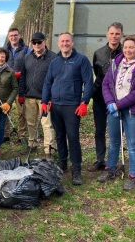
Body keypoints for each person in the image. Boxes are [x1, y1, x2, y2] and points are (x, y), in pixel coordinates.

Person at [98, 35, 135, 191]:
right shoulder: (116, 63)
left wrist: (117, 105)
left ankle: (132, 177)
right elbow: (106, 84)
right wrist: (110, 103)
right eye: (125, 47)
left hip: (134, 112)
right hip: (114, 110)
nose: (128, 50)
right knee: (114, 142)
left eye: (131, 47)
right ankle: (110, 169)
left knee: (133, 145)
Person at [41, 32, 93, 185]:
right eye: (62, 41)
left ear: (72, 42)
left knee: (73, 137)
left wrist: (84, 102)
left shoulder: (81, 60)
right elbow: (48, 83)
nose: (65, 43)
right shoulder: (54, 62)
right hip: (56, 105)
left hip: (72, 106)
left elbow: (89, 82)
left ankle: (76, 169)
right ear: (58, 44)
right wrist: (45, 101)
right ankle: (62, 163)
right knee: (59, 136)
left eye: (67, 41)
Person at [88, 22, 124, 172]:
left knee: (116, 132)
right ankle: (100, 160)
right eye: (112, 33)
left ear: (121, 35)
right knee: (100, 131)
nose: (114, 36)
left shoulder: (126, 52)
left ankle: (113, 160)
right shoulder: (98, 53)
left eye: (117, 33)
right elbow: (97, 74)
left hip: (119, 100)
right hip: (100, 98)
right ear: (107, 34)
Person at [18, 32, 57, 161]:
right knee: (30, 122)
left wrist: (51, 97)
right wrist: (21, 93)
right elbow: (22, 76)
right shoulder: (27, 58)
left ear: (44, 42)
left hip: (45, 98)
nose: (36, 45)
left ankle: (49, 149)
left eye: (39, 42)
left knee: (47, 124)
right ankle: (32, 144)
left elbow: (55, 79)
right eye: (34, 43)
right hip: (29, 96)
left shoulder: (53, 58)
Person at [3, 27, 31, 145]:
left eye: (15, 35)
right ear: (9, 37)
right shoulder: (4, 49)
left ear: (19, 36)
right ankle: (5, 134)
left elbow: (30, 64)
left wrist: (22, 74)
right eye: (11, 36)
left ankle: (22, 135)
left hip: (20, 85)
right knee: (5, 110)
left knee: (22, 111)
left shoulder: (26, 49)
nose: (13, 38)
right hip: (7, 85)